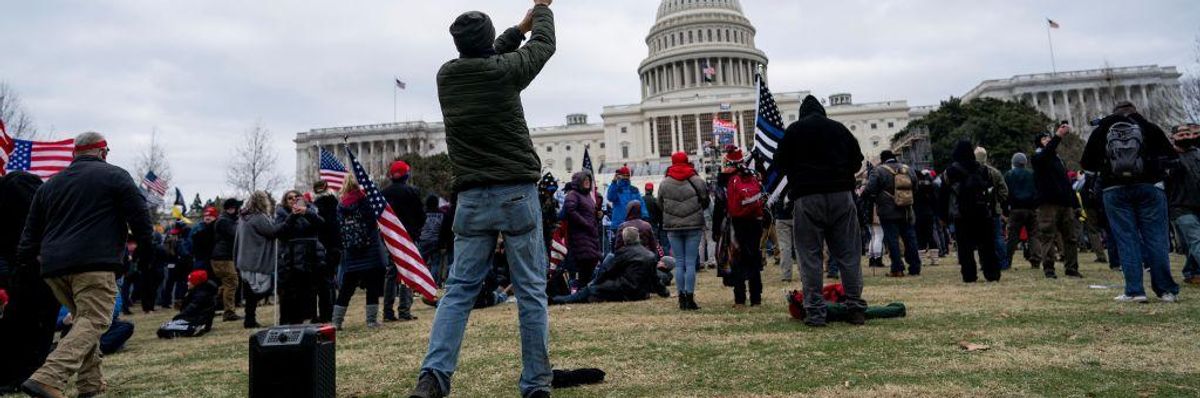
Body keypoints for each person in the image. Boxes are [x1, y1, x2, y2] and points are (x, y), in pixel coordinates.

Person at [411, 2, 556, 396]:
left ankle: (433, 377)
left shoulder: (447, 76)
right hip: (516, 192)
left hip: (472, 197)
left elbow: (491, 55)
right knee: (530, 292)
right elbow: (544, 45)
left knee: (458, 292)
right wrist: (541, 10)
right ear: (488, 41)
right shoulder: (505, 72)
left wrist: (518, 28)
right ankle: (536, 383)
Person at [15, 132, 154, 398]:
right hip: (95, 263)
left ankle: (91, 384)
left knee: (84, 321)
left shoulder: (49, 185)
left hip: (54, 268)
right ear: (103, 152)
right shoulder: (115, 175)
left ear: (74, 153)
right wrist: (146, 253)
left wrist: (25, 262)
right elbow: (139, 217)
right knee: (95, 319)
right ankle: (48, 377)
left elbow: (30, 232)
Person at [774, 95, 868, 327]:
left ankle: (815, 312)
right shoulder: (839, 129)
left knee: (810, 256)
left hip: (807, 197)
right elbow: (857, 162)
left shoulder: (794, 131)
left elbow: (779, 163)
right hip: (841, 195)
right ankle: (855, 308)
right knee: (848, 254)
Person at [1081, 102, 1180, 302]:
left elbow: (1087, 164)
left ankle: (1135, 291)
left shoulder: (1102, 130)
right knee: (1156, 239)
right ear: (1135, 112)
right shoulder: (1150, 128)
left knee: (1126, 239)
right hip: (1149, 187)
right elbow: (1172, 159)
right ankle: (1166, 290)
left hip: (1114, 189)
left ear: (1113, 113)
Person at [0, 171, 60, 394]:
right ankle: (26, 373)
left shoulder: (15, 188)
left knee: (21, 324)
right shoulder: (24, 190)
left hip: (27, 266)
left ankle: (19, 374)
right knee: (34, 325)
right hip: (37, 265)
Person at [550, 228, 667, 304]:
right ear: (638, 238)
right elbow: (655, 279)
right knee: (594, 288)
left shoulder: (623, 253)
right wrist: (664, 292)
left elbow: (609, 271)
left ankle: (557, 300)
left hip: (624, 290)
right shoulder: (650, 255)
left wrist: (596, 283)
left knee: (590, 289)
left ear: (624, 239)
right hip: (640, 293)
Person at [940, 140, 1002, 283]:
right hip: (982, 212)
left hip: (962, 214)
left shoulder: (950, 171)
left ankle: (969, 275)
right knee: (987, 245)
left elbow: (943, 196)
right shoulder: (983, 169)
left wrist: (943, 216)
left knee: (965, 247)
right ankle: (992, 273)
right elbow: (991, 191)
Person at [334, 176, 388, 330]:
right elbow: (372, 223)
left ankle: (337, 321)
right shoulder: (366, 201)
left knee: (347, 288)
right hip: (370, 249)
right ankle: (371, 321)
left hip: (351, 252)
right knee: (372, 286)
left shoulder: (341, 205)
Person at [657, 152, 708, 310]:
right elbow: (705, 200)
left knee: (679, 263)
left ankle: (681, 298)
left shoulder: (665, 183)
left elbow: (660, 204)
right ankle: (690, 298)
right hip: (693, 225)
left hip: (673, 226)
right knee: (690, 263)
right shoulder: (696, 179)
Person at [1032, 125, 1083, 279]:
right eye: (1044, 138)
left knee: (1070, 237)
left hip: (1065, 203)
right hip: (1048, 203)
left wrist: (1075, 204)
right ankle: (1049, 269)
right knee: (1047, 236)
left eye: (1049, 138)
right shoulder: (1038, 158)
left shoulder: (1058, 160)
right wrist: (1058, 136)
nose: (1048, 140)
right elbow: (1046, 153)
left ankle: (1072, 268)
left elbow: (1066, 183)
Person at [863, 150, 922, 277]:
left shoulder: (878, 170)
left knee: (892, 240)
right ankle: (915, 267)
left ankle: (897, 268)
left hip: (887, 211)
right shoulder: (908, 169)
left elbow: (870, 189)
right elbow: (916, 187)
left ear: (882, 159)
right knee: (910, 238)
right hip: (906, 210)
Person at [274, 190, 325, 325]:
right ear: (285, 201)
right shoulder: (281, 214)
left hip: (310, 256)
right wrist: (293, 216)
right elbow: (279, 232)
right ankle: (289, 321)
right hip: (290, 258)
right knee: (290, 292)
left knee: (309, 290)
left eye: (296, 197)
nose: (293, 200)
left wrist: (306, 212)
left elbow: (321, 224)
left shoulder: (310, 211)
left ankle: (310, 318)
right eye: (290, 198)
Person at [381, 160, 424, 322]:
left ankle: (388, 311)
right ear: (406, 175)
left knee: (391, 273)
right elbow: (421, 215)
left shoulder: (384, 193)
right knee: (407, 272)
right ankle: (404, 310)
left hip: (390, 237)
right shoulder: (412, 192)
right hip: (408, 237)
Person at [724, 149, 765, 308]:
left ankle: (740, 299)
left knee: (738, 259)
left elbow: (728, 205)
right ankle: (756, 298)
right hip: (755, 221)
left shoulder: (731, 179)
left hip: (738, 222)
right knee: (754, 257)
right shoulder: (752, 176)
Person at [234, 191, 278, 329]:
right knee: (263, 288)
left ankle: (249, 319)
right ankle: (250, 319)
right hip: (257, 260)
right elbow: (272, 232)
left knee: (250, 291)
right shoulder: (258, 218)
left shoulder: (243, 217)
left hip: (244, 260)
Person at [1167, 124, 1200, 285]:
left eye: (1188, 134)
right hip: (1180, 206)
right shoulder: (1168, 157)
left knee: (1190, 243)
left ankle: (1192, 272)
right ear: (1173, 137)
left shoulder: (1197, 154)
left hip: (1197, 203)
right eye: (1181, 135)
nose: (1186, 137)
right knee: (1196, 240)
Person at [563, 172, 602, 287]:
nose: (587, 182)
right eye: (585, 180)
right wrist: (585, 223)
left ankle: (584, 289)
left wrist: (598, 216)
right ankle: (582, 289)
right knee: (585, 261)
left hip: (591, 234)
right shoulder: (573, 195)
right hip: (580, 235)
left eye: (588, 180)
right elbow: (570, 210)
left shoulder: (588, 196)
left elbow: (590, 213)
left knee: (592, 261)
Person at [975, 147, 1010, 270]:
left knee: (982, 239)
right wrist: (998, 201)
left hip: (977, 211)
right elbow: (1004, 192)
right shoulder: (995, 172)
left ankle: (985, 263)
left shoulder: (971, 173)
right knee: (998, 237)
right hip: (994, 209)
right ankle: (1003, 263)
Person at [311, 180, 341, 323]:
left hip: (325, 247)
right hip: (334, 246)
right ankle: (331, 312)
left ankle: (327, 313)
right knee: (330, 280)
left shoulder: (320, 206)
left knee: (325, 283)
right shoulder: (335, 204)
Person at [1004, 152, 1041, 268]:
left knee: (1012, 236)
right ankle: (1036, 260)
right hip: (1031, 209)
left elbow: (1005, 193)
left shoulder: (1009, 175)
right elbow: (1037, 191)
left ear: (1013, 163)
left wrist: (1005, 210)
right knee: (1033, 235)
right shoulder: (1032, 174)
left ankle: (1007, 260)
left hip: (1015, 209)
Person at [156, 270, 218, 338]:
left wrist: (178, 317)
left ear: (196, 283)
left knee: (164, 329)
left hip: (196, 320)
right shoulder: (199, 292)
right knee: (164, 329)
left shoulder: (200, 295)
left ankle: (192, 329)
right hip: (196, 319)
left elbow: (190, 309)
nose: (187, 283)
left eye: (190, 282)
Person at [211, 198, 243, 321]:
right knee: (231, 282)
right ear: (232, 209)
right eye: (238, 208)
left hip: (222, 257)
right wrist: (240, 220)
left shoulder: (226, 219)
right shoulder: (224, 221)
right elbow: (236, 233)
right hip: (223, 257)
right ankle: (229, 312)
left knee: (226, 284)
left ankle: (211, 306)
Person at [606, 166, 648, 249]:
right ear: (619, 176)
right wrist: (614, 181)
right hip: (619, 224)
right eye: (624, 175)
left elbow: (641, 204)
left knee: (634, 248)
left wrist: (645, 216)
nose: (625, 177)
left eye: (627, 175)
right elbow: (610, 197)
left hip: (633, 224)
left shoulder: (634, 189)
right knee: (619, 249)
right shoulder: (615, 188)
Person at [419, 195, 447, 288]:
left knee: (421, 263)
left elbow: (419, 226)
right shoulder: (442, 214)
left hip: (423, 240)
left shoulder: (423, 213)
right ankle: (431, 284)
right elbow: (444, 230)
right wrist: (443, 244)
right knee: (435, 263)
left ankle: (420, 283)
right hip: (436, 241)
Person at [913, 170, 939, 265]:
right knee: (930, 235)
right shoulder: (930, 186)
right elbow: (934, 200)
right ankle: (935, 259)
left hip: (917, 214)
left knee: (920, 236)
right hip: (929, 213)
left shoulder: (914, 188)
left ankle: (922, 260)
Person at [771, 197, 797, 282]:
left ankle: (786, 275)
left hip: (781, 216)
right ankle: (804, 274)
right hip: (797, 214)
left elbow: (770, 199)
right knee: (799, 247)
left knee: (785, 247)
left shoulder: (777, 188)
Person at [642, 182, 669, 255]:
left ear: (645, 190)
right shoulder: (655, 201)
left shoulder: (641, 200)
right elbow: (661, 215)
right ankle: (661, 258)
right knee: (656, 245)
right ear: (652, 190)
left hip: (643, 226)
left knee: (645, 245)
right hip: (654, 226)